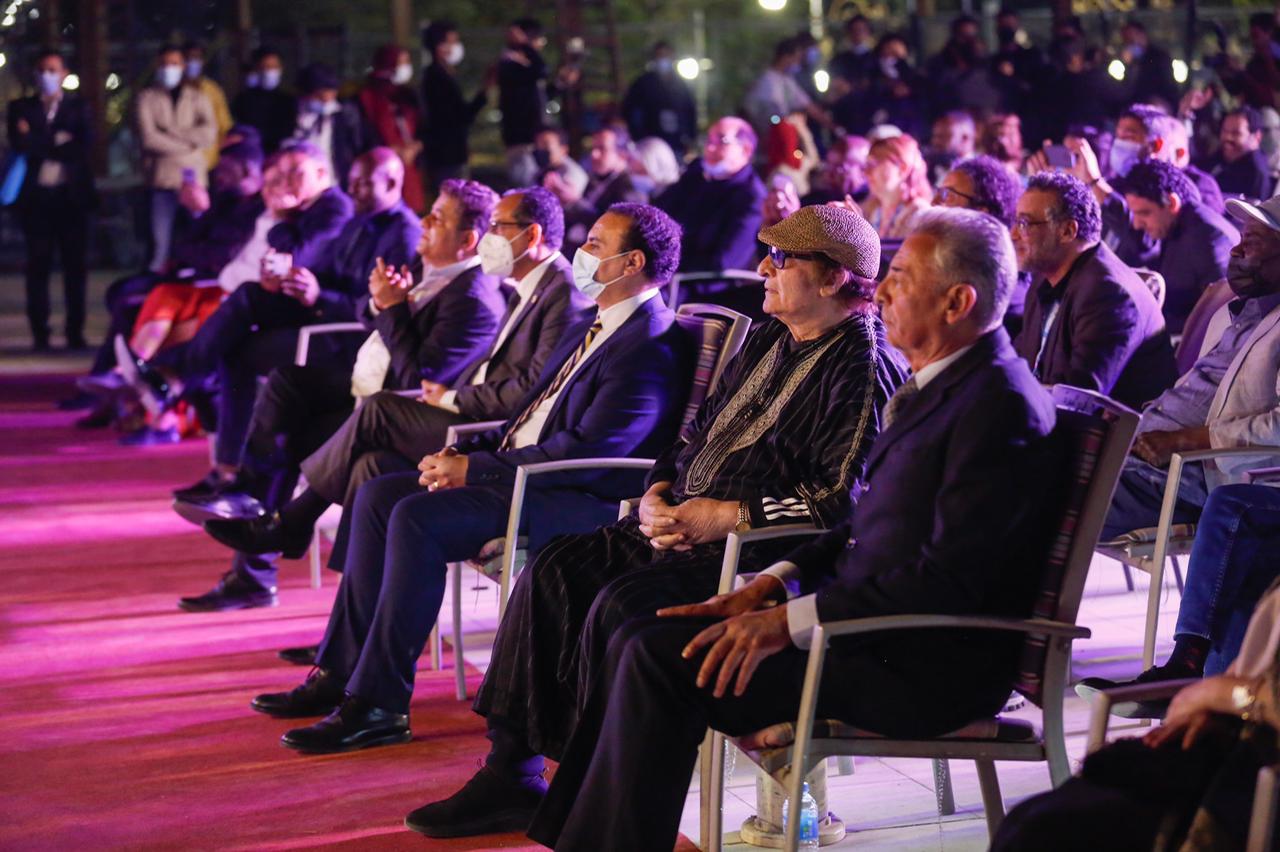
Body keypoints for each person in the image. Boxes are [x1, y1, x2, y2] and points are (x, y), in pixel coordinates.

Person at [524, 207, 1065, 851]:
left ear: (957, 302)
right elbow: (863, 524)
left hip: (915, 662)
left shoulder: (1000, 407)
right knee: (643, 636)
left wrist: (789, 621)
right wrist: (773, 586)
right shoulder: (944, 384)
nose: (881, 294)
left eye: (899, 278)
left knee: (657, 655)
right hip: (863, 631)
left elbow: (944, 580)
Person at [405, 204, 908, 839]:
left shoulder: (863, 366)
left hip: (750, 554)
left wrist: (725, 516)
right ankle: (512, 772)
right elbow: (692, 437)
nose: (763, 268)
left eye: (782, 259)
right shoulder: (768, 337)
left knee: (620, 603)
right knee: (556, 569)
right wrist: (659, 491)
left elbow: (840, 502)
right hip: (678, 524)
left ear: (833, 277)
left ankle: (589, 801)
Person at [245, 203, 696, 755]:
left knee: (416, 517)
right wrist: (463, 451)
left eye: (596, 245)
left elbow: (595, 454)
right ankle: (339, 671)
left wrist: (476, 469)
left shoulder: (649, 342)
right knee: (379, 493)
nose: (581, 252)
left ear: (632, 263)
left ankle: (379, 705)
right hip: (526, 473)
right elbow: (525, 419)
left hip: (575, 496)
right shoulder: (591, 323)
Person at [197, 186, 589, 600]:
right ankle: (349, 613)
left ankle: (286, 524)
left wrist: (445, 392)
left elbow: (525, 391)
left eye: (497, 226)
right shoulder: (521, 285)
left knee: (375, 412)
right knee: (356, 452)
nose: (423, 223)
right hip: (432, 403)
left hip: (482, 431)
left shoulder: (531, 294)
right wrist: (386, 307)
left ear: (530, 235)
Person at [991, 576, 1280, 851]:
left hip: (1254, 770)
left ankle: (1187, 659)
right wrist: (1214, 703)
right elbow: (1257, 658)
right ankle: (1187, 660)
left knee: (1042, 831)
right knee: (1031, 821)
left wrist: (1223, 695)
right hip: (1228, 737)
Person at [117, 142, 354, 476]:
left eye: (295, 173)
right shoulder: (306, 207)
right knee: (229, 336)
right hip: (292, 303)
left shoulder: (334, 207)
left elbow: (298, 256)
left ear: (321, 172)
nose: (287, 182)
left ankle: (174, 378)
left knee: (241, 311)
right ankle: (226, 465)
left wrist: (280, 219)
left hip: (323, 319)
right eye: (283, 174)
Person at [1096, 194, 1280, 544]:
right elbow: (1195, 396)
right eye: (1240, 239)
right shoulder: (1233, 314)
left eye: (1252, 242)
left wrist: (1182, 440)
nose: (1235, 251)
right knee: (1034, 463)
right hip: (1145, 460)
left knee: (1053, 495)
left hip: (1193, 479)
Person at [1011, 171, 1177, 410]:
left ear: (1068, 231)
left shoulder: (1108, 293)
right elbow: (1021, 363)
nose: (1013, 234)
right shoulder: (1043, 279)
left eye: (1025, 224)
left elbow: (1078, 400)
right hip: (1049, 417)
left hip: (1113, 431)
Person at [7, 49, 96, 351]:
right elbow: (20, 144)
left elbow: (82, 147)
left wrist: (37, 138)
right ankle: (40, 333)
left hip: (71, 200)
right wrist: (58, 139)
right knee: (38, 267)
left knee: (75, 269)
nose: (47, 75)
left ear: (64, 73)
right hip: (37, 200)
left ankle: (75, 331)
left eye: (53, 69)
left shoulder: (79, 107)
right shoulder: (20, 107)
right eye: (42, 69)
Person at [1112, 160, 1239, 333]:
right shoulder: (1174, 224)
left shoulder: (1208, 239)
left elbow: (1217, 317)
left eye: (1144, 213)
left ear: (1171, 203)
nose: (1137, 224)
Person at [137, 44, 217, 274]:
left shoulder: (198, 97)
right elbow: (149, 138)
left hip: (194, 182)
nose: (169, 69)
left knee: (198, 239)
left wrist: (170, 132)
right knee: (159, 245)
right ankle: (155, 287)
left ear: (182, 66)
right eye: (164, 64)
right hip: (161, 180)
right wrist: (188, 145)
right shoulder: (146, 98)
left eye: (174, 64)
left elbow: (209, 134)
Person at [654, 116, 766, 275]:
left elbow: (724, 262)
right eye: (709, 140)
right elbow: (659, 212)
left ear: (745, 150)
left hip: (696, 281)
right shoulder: (696, 176)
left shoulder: (751, 197)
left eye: (722, 141)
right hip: (663, 267)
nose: (710, 148)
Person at [935, 154, 1030, 332]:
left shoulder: (1002, 292)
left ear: (981, 214)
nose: (934, 203)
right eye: (938, 192)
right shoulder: (953, 265)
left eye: (948, 195)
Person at [419, 19, 487, 193]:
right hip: (447, 155)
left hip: (448, 154)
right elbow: (460, 116)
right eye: (453, 41)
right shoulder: (437, 78)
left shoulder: (441, 75)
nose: (457, 47)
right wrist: (484, 92)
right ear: (439, 46)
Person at [359, 45, 425, 213]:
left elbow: (421, 127)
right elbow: (366, 131)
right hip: (381, 166)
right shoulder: (368, 96)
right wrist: (391, 150)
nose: (406, 67)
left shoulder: (407, 95)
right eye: (402, 62)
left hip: (408, 167)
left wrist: (416, 146)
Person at [560, 127, 647, 252]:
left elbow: (615, 230)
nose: (594, 154)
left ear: (622, 154)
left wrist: (575, 201)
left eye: (602, 149)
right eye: (593, 148)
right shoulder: (596, 179)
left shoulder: (631, 188)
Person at [290, 63, 366, 192]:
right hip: (300, 186)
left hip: (333, 183)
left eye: (331, 96)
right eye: (319, 97)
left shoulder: (341, 117)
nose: (326, 102)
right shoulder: (291, 117)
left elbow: (355, 147)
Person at [742, 37, 834, 141]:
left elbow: (808, 105)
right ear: (786, 57)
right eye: (796, 58)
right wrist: (783, 122)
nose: (798, 63)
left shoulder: (787, 80)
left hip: (782, 136)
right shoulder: (766, 82)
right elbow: (759, 115)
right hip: (768, 139)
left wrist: (832, 126)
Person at [621, 42, 697, 158]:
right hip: (649, 142)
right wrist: (637, 135)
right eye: (660, 55)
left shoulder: (681, 85)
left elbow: (690, 112)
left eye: (666, 55)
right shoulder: (642, 83)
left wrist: (690, 138)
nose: (663, 59)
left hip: (676, 142)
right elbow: (630, 110)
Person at [498, 18, 549, 185]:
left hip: (531, 138)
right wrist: (525, 44)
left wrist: (560, 84)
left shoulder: (525, 66)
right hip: (522, 140)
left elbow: (536, 96)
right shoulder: (510, 63)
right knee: (526, 189)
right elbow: (541, 70)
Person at [860, 134, 932, 240]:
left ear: (902, 168)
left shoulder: (919, 214)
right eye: (867, 165)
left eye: (874, 164)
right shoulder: (873, 210)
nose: (866, 172)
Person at [231, 47, 296, 155]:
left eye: (274, 67)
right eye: (265, 67)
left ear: (281, 69)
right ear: (256, 69)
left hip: (280, 156)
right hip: (250, 155)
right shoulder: (243, 100)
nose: (269, 72)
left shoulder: (287, 101)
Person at [1201, 106, 1274, 200]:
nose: (1227, 137)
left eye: (1236, 133)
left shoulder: (1256, 173)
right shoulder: (1221, 155)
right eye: (1224, 131)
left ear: (1257, 137)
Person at [182, 41, 232, 170]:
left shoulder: (212, 90)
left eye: (196, 58)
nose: (192, 62)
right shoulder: (174, 91)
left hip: (209, 159)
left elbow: (224, 124)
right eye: (188, 58)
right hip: (181, 157)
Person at [1118, 19, 1180, 111]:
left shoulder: (1159, 57)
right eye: (1126, 40)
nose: (1130, 43)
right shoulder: (1130, 60)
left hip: (1158, 106)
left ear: (1142, 35)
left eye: (1131, 38)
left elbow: (1168, 86)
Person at [533, 126, 588, 202]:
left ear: (563, 149)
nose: (540, 150)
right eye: (538, 146)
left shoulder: (573, 174)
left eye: (546, 145)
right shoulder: (543, 169)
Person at [925, 110, 977, 186]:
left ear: (965, 138)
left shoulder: (979, 175)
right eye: (935, 136)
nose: (935, 142)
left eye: (943, 136)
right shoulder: (929, 169)